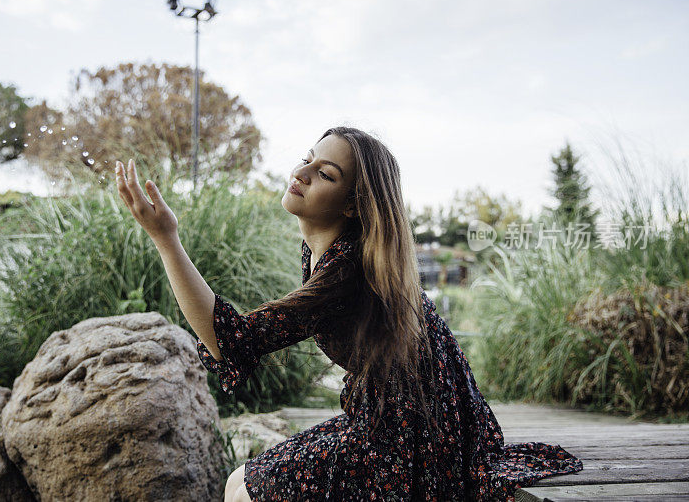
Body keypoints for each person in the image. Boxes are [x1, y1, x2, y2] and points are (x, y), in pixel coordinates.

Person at [115, 126, 584, 502]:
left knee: (244, 493)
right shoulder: (328, 252)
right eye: (308, 157)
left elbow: (231, 339)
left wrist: (166, 238)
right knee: (239, 481)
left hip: (411, 440)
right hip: (392, 420)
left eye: (327, 174)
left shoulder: (349, 268)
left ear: (355, 203)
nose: (303, 171)